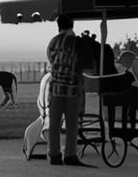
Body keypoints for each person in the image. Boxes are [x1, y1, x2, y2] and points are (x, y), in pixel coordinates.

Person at [45, 15, 95, 167]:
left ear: (58, 25)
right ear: (72, 25)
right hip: (72, 89)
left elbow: (51, 59)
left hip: (55, 88)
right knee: (72, 124)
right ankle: (70, 154)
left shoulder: (53, 42)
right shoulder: (78, 43)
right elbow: (88, 66)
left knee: (54, 123)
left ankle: (54, 155)